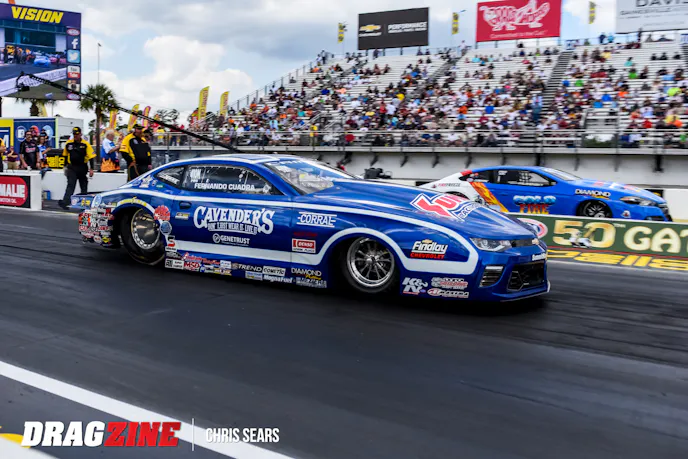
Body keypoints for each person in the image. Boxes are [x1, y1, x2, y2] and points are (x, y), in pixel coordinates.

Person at [58, 127, 95, 210]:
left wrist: (91, 169)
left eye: (77, 134)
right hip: (72, 167)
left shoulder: (85, 144)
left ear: (80, 134)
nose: (75, 136)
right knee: (70, 185)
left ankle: (84, 205)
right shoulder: (69, 143)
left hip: (82, 167)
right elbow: (65, 155)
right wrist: (65, 167)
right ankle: (65, 202)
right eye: (74, 134)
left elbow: (91, 157)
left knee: (83, 186)